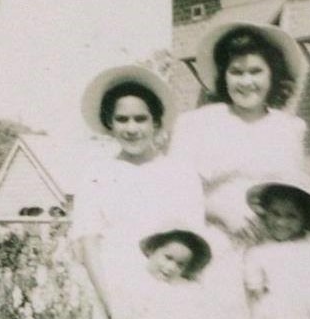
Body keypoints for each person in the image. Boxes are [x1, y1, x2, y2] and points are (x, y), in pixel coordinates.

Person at [70, 65, 205, 319]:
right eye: (122, 119)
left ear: (156, 121)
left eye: (140, 119)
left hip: (168, 298)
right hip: (114, 293)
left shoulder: (181, 173)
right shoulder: (96, 175)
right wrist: (112, 308)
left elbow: (193, 245)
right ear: (109, 122)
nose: (131, 129)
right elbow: (89, 244)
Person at [170, 21, 308, 243]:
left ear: (272, 74)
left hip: (273, 246)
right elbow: (175, 193)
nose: (246, 82)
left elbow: (301, 199)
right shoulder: (195, 124)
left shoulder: (290, 128)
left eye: (256, 71)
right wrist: (223, 214)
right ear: (224, 76)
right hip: (211, 241)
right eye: (236, 72)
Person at [243, 176, 310, 319]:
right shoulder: (258, 253)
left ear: (305, 218)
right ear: (265, 213)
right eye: (275, 214)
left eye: (291, 216)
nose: (281, 222)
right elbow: (254, 293)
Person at [110, 227, 212, 319]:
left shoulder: (175, 293)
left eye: (180, 265)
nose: (171, 267)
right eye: (168, 257)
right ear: (152, 250)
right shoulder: (131, 276)